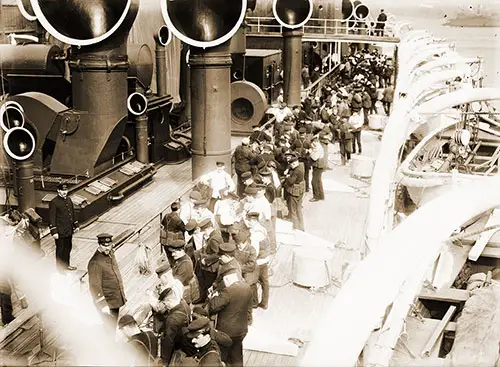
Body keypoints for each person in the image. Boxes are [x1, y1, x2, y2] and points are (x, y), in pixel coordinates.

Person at [208, 264, 252, 367]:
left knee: (223, 357)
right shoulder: (247, 287)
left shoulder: (227, 291)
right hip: (241, 330)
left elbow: (213, 307)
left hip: (226, 332)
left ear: (226, 280)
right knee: (237, 356)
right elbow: (249, 307)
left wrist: (214, 296)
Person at [87, 233, 126, 327]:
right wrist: (102, 305)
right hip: (108, 302)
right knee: (109, 327)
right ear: (99, 245)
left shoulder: (109, 253)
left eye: (109, 245)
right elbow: (94, 286)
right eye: (105, 246)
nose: (108, 248)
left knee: (113, 325)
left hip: (115, 299)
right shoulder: (95, 262)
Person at [49, 183, 79, 271]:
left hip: (69, 230)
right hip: (60, 231)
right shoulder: (54, 202)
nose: (64, 192)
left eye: (66, 190)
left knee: (68, 248)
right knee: (60, 250)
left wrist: (76, 225)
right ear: (58, 191)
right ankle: (59, 268)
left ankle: (66, 265)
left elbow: (72, 213)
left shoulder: (69, 200)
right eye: (62, 190)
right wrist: (54, 231)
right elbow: (52, 217)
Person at [197, 218, 223, 303]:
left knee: (209, 285)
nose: (204, 233)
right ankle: (204, 298)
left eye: (204, 231)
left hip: (211, 268)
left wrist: (206, 260)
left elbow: (217, 254)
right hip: (210, 267)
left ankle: (208, 302)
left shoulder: (213, 239)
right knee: (205, 284)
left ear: (208, 229)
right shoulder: (215, 234)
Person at [282, 153, 305, 231]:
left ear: (295, 162)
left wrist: (287, 176)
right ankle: (301, 227)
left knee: (293, 211)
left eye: (292, 164)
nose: (292, 166)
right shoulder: (301, 165)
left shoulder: (296, 171)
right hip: (301, 190)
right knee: (298, 209)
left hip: (294, 191)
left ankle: (295, 228)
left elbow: (291, 182)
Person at [310, 135, 325, 202]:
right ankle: (321, 196)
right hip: (318, 166)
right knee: (318, 181)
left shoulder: (318, 148)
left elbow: (314, 157)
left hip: (318, 166)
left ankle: (316, 197)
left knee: (314, 182)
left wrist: (310, 152)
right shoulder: (317, 146)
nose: (312, 144)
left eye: (313, 143)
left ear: (316, 141)